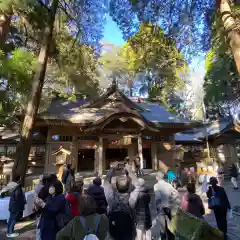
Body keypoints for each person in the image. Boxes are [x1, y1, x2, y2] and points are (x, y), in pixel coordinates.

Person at [103, 165, 137, 240]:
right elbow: (136, 185)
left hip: (114, 231)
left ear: (116, 186)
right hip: (129, 231)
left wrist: (112, 168)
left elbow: (106, 183)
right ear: (129, 187)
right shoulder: (132, 198)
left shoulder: (112, 200)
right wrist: (130, 171)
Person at [154, 172, 180, 240]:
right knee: (170, 226)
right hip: (169, 207)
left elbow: (157, 198)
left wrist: (158, 206)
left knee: (163, 228)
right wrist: (171, 199)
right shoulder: (168, 185)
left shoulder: (156, 186)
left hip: (161, 209)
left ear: (157, 177)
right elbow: (177, 193)